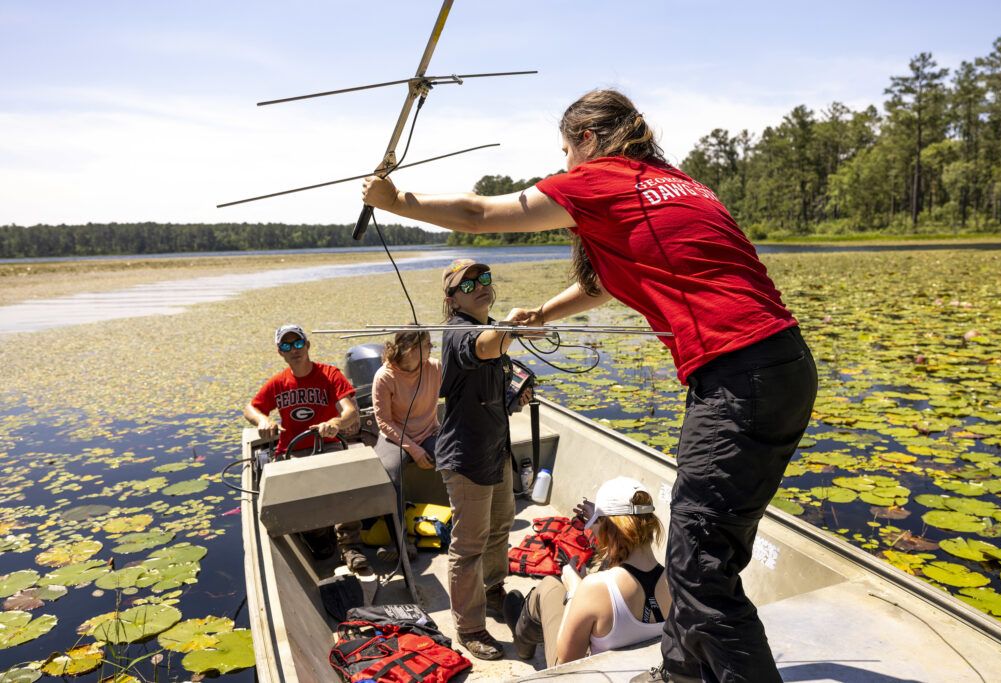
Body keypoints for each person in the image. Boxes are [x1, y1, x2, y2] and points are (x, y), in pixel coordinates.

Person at [363, 89, 818, 682]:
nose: (566, 162)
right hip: (783, 365)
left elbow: (481, 213)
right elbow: (604, 285)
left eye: (564, 150)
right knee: (694, 540)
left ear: (585, 140)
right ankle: (680, 672)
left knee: (701, 566)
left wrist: (396, 200)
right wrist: (546, 314)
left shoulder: (599, 178)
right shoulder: (677, 183)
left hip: (737, 374)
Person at [433, 258, 531, 661]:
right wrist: (509, 326)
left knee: (500, 527)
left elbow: (490, 385)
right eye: (468, 283)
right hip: (466, 456)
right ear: (452, 297)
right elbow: (485, 346)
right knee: (469, 546)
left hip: (496, 449)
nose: (480, 286)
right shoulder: (458, 332)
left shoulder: (492, 333)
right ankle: (469, 627)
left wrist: (513, 398)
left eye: (484, 278)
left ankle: (493, 591)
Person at [504, 476, 669, 668]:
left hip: (581, 671)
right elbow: (630, 563)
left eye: (595, 524)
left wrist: (574, 590)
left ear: (607, 528)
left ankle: (522, 641)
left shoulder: (595, 588)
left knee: (550, 585)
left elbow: (565, 666)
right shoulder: (675, 581)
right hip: (639, 670)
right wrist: (601, 519)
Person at [243, 323, 369, 571]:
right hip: (291, 451)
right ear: (280, 352)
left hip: (329, 445)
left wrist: (335, 422)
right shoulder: (278, 383)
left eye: (298, 343)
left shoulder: (330, 374)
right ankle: (320, 536)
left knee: (347, 483)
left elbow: (351, 411)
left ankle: (351, 547)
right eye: (287, 345)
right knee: (294, 498)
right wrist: (263, 420)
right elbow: (250, 408)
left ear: (308, 345)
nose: (294, 349)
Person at [371, 329, 441, 559]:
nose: (432, 348)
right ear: (412, 350)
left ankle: (463, 523)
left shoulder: (434, 367)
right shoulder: (385, 376)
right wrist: (414, 449)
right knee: (390, 472)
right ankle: (399, 542)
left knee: (457, 458)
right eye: (428, 344)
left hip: (429, 432)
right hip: (396, 437)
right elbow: (383, 421)